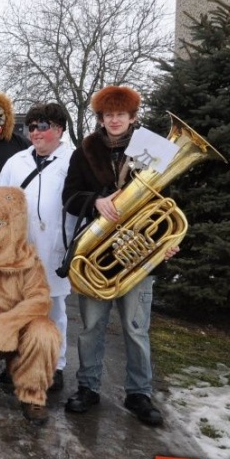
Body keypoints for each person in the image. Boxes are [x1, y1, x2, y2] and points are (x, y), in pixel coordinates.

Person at [61, 85, 177, 426]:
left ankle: (139, 393)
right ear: (101, 118)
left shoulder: (151, 150)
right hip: (99, 255)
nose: (114, 120)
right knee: (91, 327)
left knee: (136, 329)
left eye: (121, 115)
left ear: (132, 117)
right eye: (108, 115)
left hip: (139, 253)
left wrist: (165, 242)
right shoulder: (84, 152)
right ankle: (88, 387)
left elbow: (166, 201)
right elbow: (69, 196)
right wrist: (95, 201)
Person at [0, 102, 74, 392]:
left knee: (53, 312)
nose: (35, 133)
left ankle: (55, 366)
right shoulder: (15, 162)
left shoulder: (73, 161)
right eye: (31, 127)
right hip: (18, 251)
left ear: (59, 129)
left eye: (42, 126)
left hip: (54, 249)